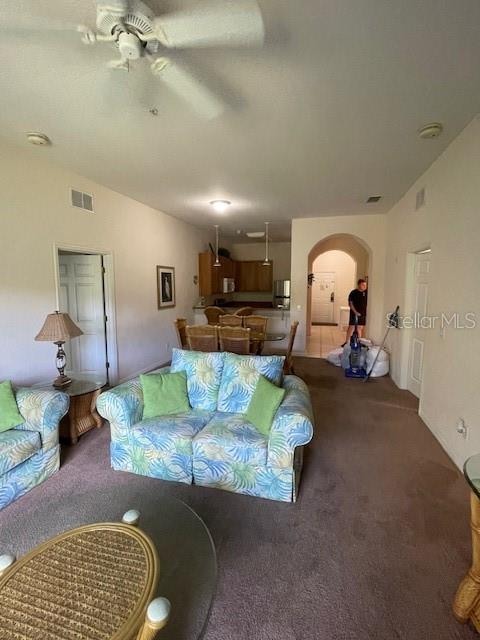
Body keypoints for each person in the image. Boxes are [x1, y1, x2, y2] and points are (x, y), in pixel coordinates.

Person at [344, 279, 368, 344]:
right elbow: (350, 304)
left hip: (363, 314)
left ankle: (359, 342)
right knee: (351, 327)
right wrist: (355, 312)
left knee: (360, 328)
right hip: (354, 313)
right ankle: (346, 342)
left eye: (365, 285)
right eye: (363, 285)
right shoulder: (353, 293)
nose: (365, 286)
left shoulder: (366, 293)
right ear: (359, 285)